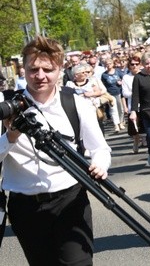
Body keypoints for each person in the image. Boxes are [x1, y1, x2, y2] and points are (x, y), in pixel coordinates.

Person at [1, 36, 111, 265]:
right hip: (25, 206)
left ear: (59, 69)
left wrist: (100, 165)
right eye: (33, 69)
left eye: (47, 69)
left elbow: (99, 148)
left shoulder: (75, 103)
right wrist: (11, 135)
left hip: (70, 199)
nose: (40, 76)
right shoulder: (6, 108)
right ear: (24, 69)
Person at [121, 55, 144, 154]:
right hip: (133, 105)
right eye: (132, 64)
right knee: (134, 127)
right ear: (129, 66)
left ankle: (146, 140)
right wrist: (136, 93)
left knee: (146, 126)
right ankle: (136, 141)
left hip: (145, 104)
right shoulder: (126, 77)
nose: (134, 66)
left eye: (136, 64)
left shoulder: (144, 75)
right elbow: (125, 93)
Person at [101, 57, 125, 133]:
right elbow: (103, 85)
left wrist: (121, 83)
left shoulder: (118, 72)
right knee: (113, 110)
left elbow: (124, 80)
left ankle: (121, 122)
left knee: (120, 109)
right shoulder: (104, 75)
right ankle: (116, 125)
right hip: (110, 94)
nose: (108, 65)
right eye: (106, 64)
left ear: (113, 64)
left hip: (119, 92)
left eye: (110, 63)